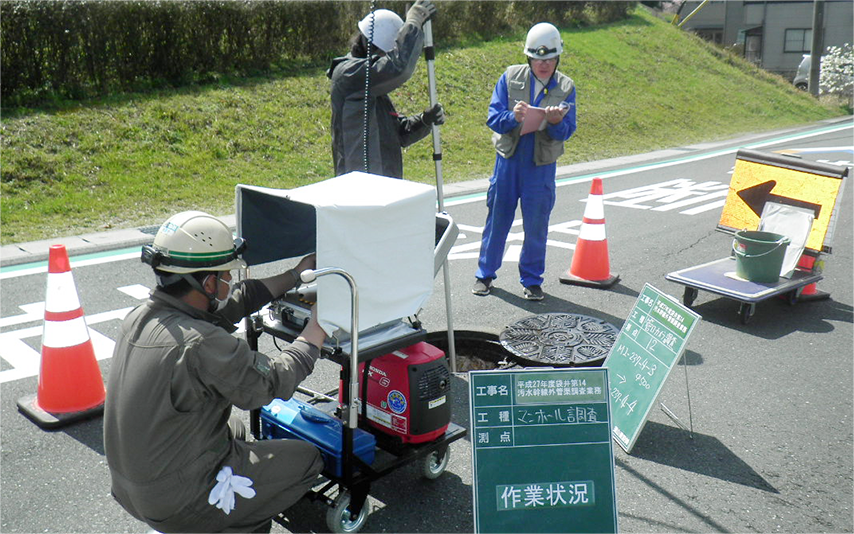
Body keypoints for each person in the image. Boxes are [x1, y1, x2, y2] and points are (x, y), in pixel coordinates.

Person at [104, 211, 327, 534]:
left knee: (234, 428)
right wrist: (315, 331)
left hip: (135, 489)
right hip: (177, 502)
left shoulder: (140, 318)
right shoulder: (201, 345)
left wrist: (294, 275)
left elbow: (230, 305)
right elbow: (271, 383)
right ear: (209, 283)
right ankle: (222, 523)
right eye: (225, 275)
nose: (229, 281)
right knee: (307, 459)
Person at [472, 22, 577, 301]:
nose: (543, 64)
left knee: (536, 225)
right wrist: (513, 117)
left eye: (550, 58)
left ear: (558, 58)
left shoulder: (566, 87)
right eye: (538, 58)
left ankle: (532, 280)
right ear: (528, 57)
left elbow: (568, 129)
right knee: (497, 219)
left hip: (540, 166)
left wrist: (555, 123)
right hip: (508, 161)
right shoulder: (510, 77)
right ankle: (485, 275)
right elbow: (493, 117)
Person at [328, 0, 445, 179]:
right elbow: (398, 67)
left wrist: (424, 120)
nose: (386, 58)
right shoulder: (349, 75)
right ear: (371, 48)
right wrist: (413, 23)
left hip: (385, 182)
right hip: (359, 184)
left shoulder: (373, 90)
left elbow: (398, 134)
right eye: (387, 53)